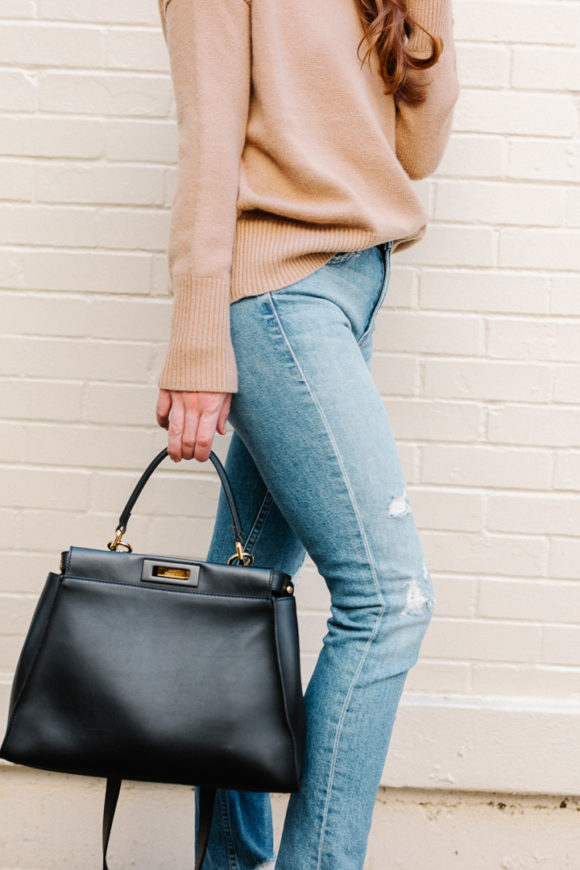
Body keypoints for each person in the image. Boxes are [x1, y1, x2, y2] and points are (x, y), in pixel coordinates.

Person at [154, 0, 460, 867]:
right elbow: (208, 147)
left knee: (242, 605)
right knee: (389, 602)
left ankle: (229, 861)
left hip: (352, 288)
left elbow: (414, 152)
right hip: (280, 299)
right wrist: (198, 341)